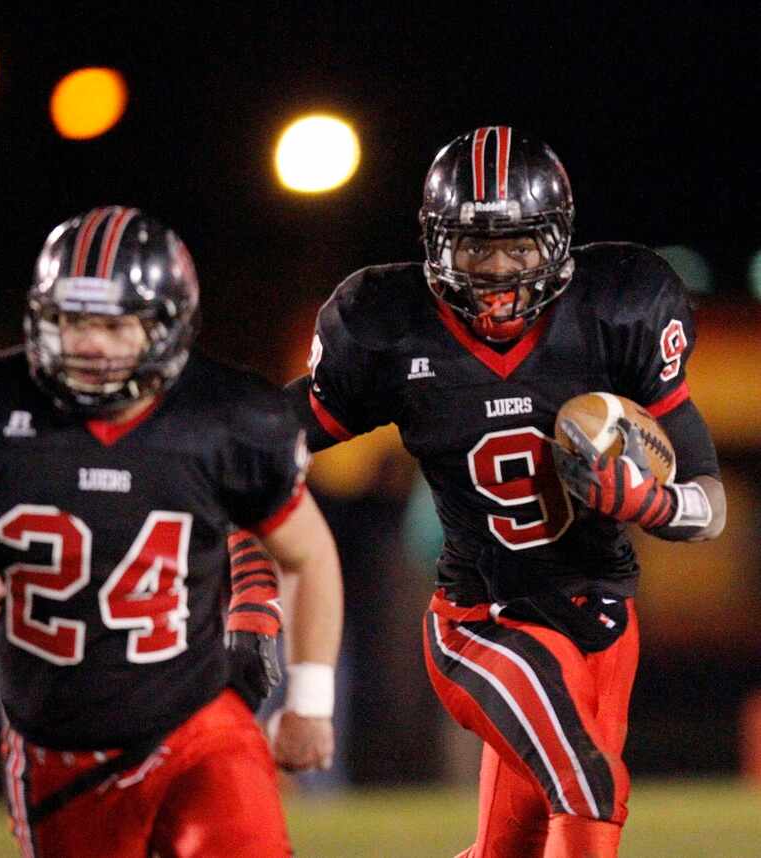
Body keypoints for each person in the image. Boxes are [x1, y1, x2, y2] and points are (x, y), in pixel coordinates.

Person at [285, 126, 726, 858]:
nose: (495, 269)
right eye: (474, 248)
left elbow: (708, 501)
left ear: (555, 243)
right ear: (436, 245)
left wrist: (653, 503)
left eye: (517, 247)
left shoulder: (619, 309)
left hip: (604, 620)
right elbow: (265, 445)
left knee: (509, 849)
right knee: (590, 785)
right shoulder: (391, 326)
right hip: (482, 621)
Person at [0, 205, 343, 858]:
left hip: (199, 723)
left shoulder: (227, 415)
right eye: (73, 321)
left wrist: (311, 700)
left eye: (115, 324)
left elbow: (307, 554)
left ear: (165, 325)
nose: (91, 344)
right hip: (58, 750)